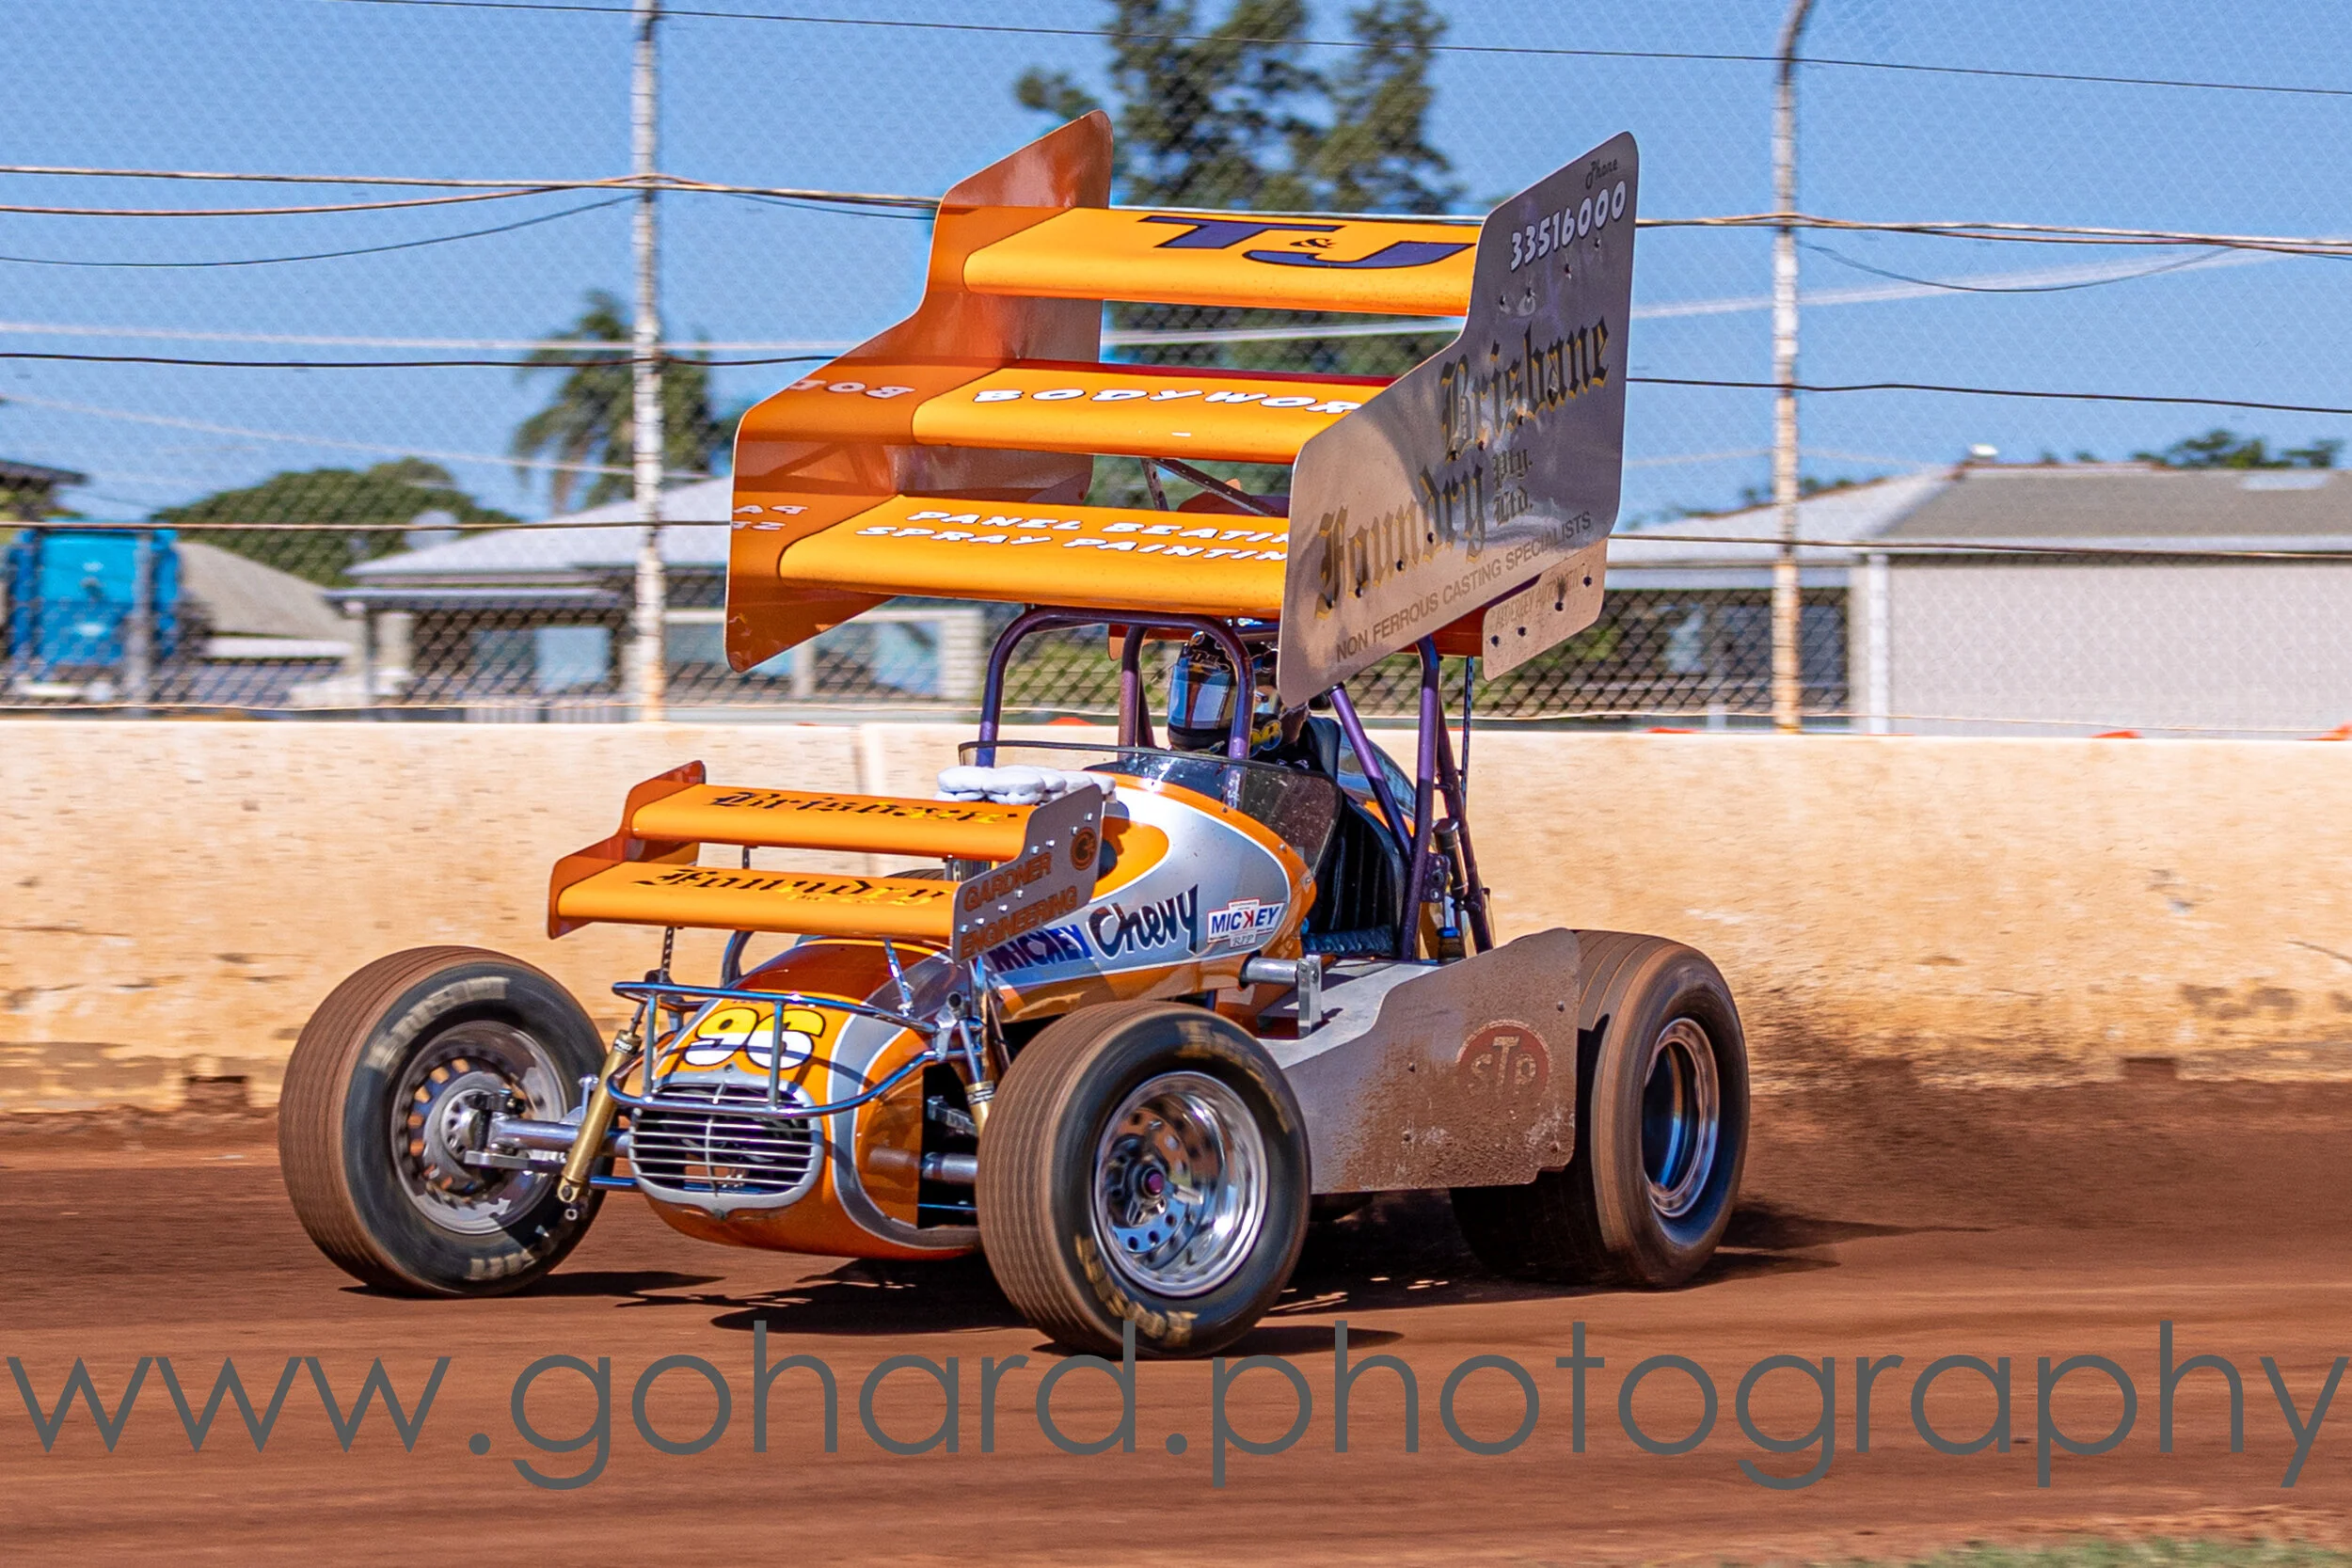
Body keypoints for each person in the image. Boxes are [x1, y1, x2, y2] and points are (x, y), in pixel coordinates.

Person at [1164, 634, 1314, 764]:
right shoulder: (1172, 763)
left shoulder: (1296, 772)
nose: (1194, 708)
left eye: (1209, 703)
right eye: (1186, 697)